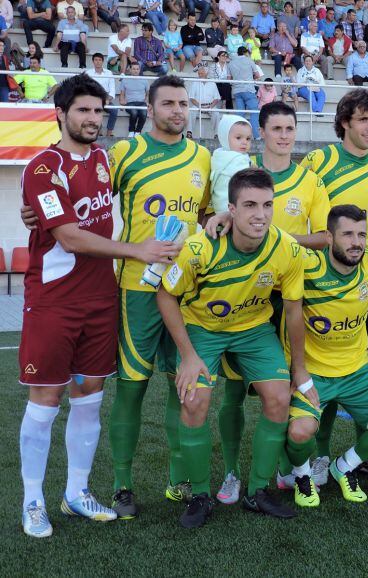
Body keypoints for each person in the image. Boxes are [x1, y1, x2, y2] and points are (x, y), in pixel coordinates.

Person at [18, 73, 177, 538]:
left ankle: (76, 493)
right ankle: (32, 500)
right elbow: (68, 236)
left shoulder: (106, 161)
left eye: (98, 110)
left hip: (100, 301)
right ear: (61, 114)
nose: (92, 118)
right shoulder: (43, 168)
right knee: (46, 400)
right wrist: (139, 250)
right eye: (83, 110)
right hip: (53, 304)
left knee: (89, 399)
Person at [157, 168, 307, 527]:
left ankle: (257, 491)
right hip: (203, 329)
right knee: (194, 399)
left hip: (253, 329)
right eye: (250, 205)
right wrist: (190, 356)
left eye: (268, 205)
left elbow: (293, 311)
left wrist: (299, 368)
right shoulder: (200, 247)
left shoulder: (286, 248)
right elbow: (165, 295)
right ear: (231, 209)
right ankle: (199, 495)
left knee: (279, 398)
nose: (261, 214)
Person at [105, 75, 212, 520]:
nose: (177, 111)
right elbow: (88, 203)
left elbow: (206, 213)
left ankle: (178, 480)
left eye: (183, 103)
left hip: (186, 290)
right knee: (131, 387)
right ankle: (121, 484)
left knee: (182, 386)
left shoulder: (202, 157)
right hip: (137, 289)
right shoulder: (123, 154)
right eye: (168, 103)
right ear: (149, 108)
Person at [279, 205, 368, 505]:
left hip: (358, 370)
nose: (356, 242)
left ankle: (343, 466)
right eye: (347, 234)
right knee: (299, 432)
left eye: (361, 234)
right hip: (314, 373)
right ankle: (303, 474)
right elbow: (273, 239)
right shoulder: (308, 264)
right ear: (329, 239)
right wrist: (224, 218)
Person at [300, 89, 368, 484]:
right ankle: (321, 456)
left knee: (367, 368)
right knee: (325, 370)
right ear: (345, 122)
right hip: (328, 281)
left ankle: (363, 451)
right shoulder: (319, 161)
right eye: (364, 119)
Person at [229, 46, 263, 137]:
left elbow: (229, 78)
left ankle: (239, 136)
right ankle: (256, 136)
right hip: (248, 89)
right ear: (245, 52)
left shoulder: (231, 63)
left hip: (237, 90)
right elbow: (257, 75)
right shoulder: (249, 60)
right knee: (254, 112)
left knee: (240, 114)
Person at [85, 53, 118, 137]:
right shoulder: (87, 73)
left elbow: (112, 90)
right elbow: (85, 89)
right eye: (96, 60)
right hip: (92, 98)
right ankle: (98, 131)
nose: (98, 62)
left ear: (102, 61)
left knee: (114, 110)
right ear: (93, 61)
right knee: (95, 111)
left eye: (100, 60)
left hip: (105, 97)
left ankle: (109, 133)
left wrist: (107, 99)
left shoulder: (109, 73)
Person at [188, 64, 222, 137]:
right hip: (198, 105)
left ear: (206, 73)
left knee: (216, 113)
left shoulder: (212, 83)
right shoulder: (195, 83)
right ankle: (189, 132)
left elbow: (217, 98)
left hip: (210, 105)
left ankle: (217, 134)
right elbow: (191, 98)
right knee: (190, 111)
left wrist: (211, 106)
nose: (200, 75)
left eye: (201, 73)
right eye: (199, 73)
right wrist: (199, 106)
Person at [120, 62, 149, 137]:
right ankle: (131, 131)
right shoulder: (125, 80)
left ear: (139, 70)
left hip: (141, 102)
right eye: (134, 69)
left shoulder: (144, 80)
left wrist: (146, 101)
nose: (136, 71)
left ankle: (138, 132)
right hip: (130, 102)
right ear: (130, 70)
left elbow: (148, 93)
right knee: (134, 112)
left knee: (143, 113)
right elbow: (122, 94)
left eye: (137, 69)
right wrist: (121, 102)